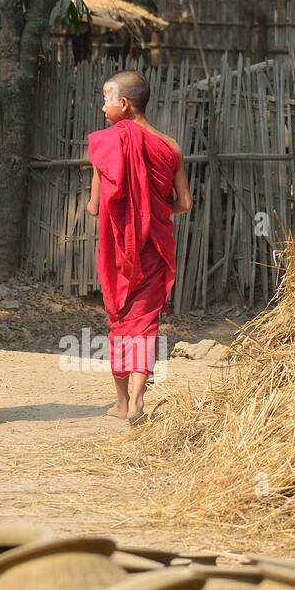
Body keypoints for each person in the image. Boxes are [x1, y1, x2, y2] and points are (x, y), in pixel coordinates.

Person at [86, 70, 192, 421]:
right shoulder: (170, 145)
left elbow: (94, 206)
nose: (103, 107)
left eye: (106, 99)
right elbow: (185, 204)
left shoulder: (107, 144)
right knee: (145, 323)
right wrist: (153, 211)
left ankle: (119, 403)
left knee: (119, 320)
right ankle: (137, 401)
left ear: (124, 103)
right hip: (153, 247)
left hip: (118, 249)